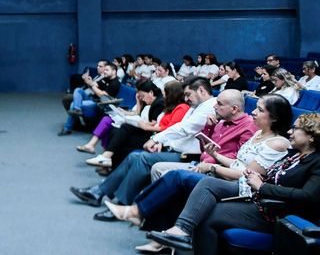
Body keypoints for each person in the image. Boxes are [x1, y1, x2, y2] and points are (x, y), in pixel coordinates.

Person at [103, 95, 292, 252]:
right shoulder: (258, 134)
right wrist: (215, 155)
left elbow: (246, 176)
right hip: (226, 177)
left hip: (243, 190)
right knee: (176, 181)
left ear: (274, 117)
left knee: (177, 177)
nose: (253, 112)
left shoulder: (278, 143)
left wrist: (212, 166)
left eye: (259, 109)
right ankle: (159, 235)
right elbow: (238, 163)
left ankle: (138, 212)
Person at [148, 113, 320, 255]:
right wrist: (256, 177)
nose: (290, 131)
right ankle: (181, 231)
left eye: (296, 129)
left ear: (311, 136)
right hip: (261, 202)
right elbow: (275, 175)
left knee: (206, 214)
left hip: (278, 214)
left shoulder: (316, 162)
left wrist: (261, 186)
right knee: (205, 199)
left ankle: (181, 232)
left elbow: (307, 196)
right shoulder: (294, 155)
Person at [69, 78, 217, 209]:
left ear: (202, 91)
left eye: (188, 94)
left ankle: (121, 204)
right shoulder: (196, 107)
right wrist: (162, 141)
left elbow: (184, 129)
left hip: (189, 156)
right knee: (134, 156)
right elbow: (179, 130)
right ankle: (98, 192)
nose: (186, 98)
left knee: (143, 158)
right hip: (176, 149)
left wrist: (157, 139)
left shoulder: (209, 107)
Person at [148, 89, 256, 181]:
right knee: (157, 168)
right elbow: (203, 149)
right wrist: (209, 127)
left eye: (219, 104)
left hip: (217, 171)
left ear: (234, 109)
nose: (214, 106)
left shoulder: (248, 126)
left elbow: (241, 160)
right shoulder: (221, 121)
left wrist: (210, 164)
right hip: (201, 163)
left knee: (165, 174)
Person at [84, 81, 164, 170]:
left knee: (124, 132)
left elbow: (153, 124)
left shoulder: (159, 103)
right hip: (145, 131)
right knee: (115, 131)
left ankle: (107, 159)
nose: (142, 99)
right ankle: (106, 163)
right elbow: (138, 113)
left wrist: (139, 122)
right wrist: (138, 102)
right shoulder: (150, 101)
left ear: (151, 93)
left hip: (151, 136)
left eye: (142, 96)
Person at [59, 62, 120, 136]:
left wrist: (94, 86)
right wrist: (88, 81)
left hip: (98, 103)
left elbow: (102, 95)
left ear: (114, 71)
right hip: (92, 97)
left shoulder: (115, 83)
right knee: (78, 90)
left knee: (72, 104)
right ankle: (77, 109)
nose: (104, 71)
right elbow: (94, 85)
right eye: (105, 70)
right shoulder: (105, 78)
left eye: (107, 70)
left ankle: (67, 128)